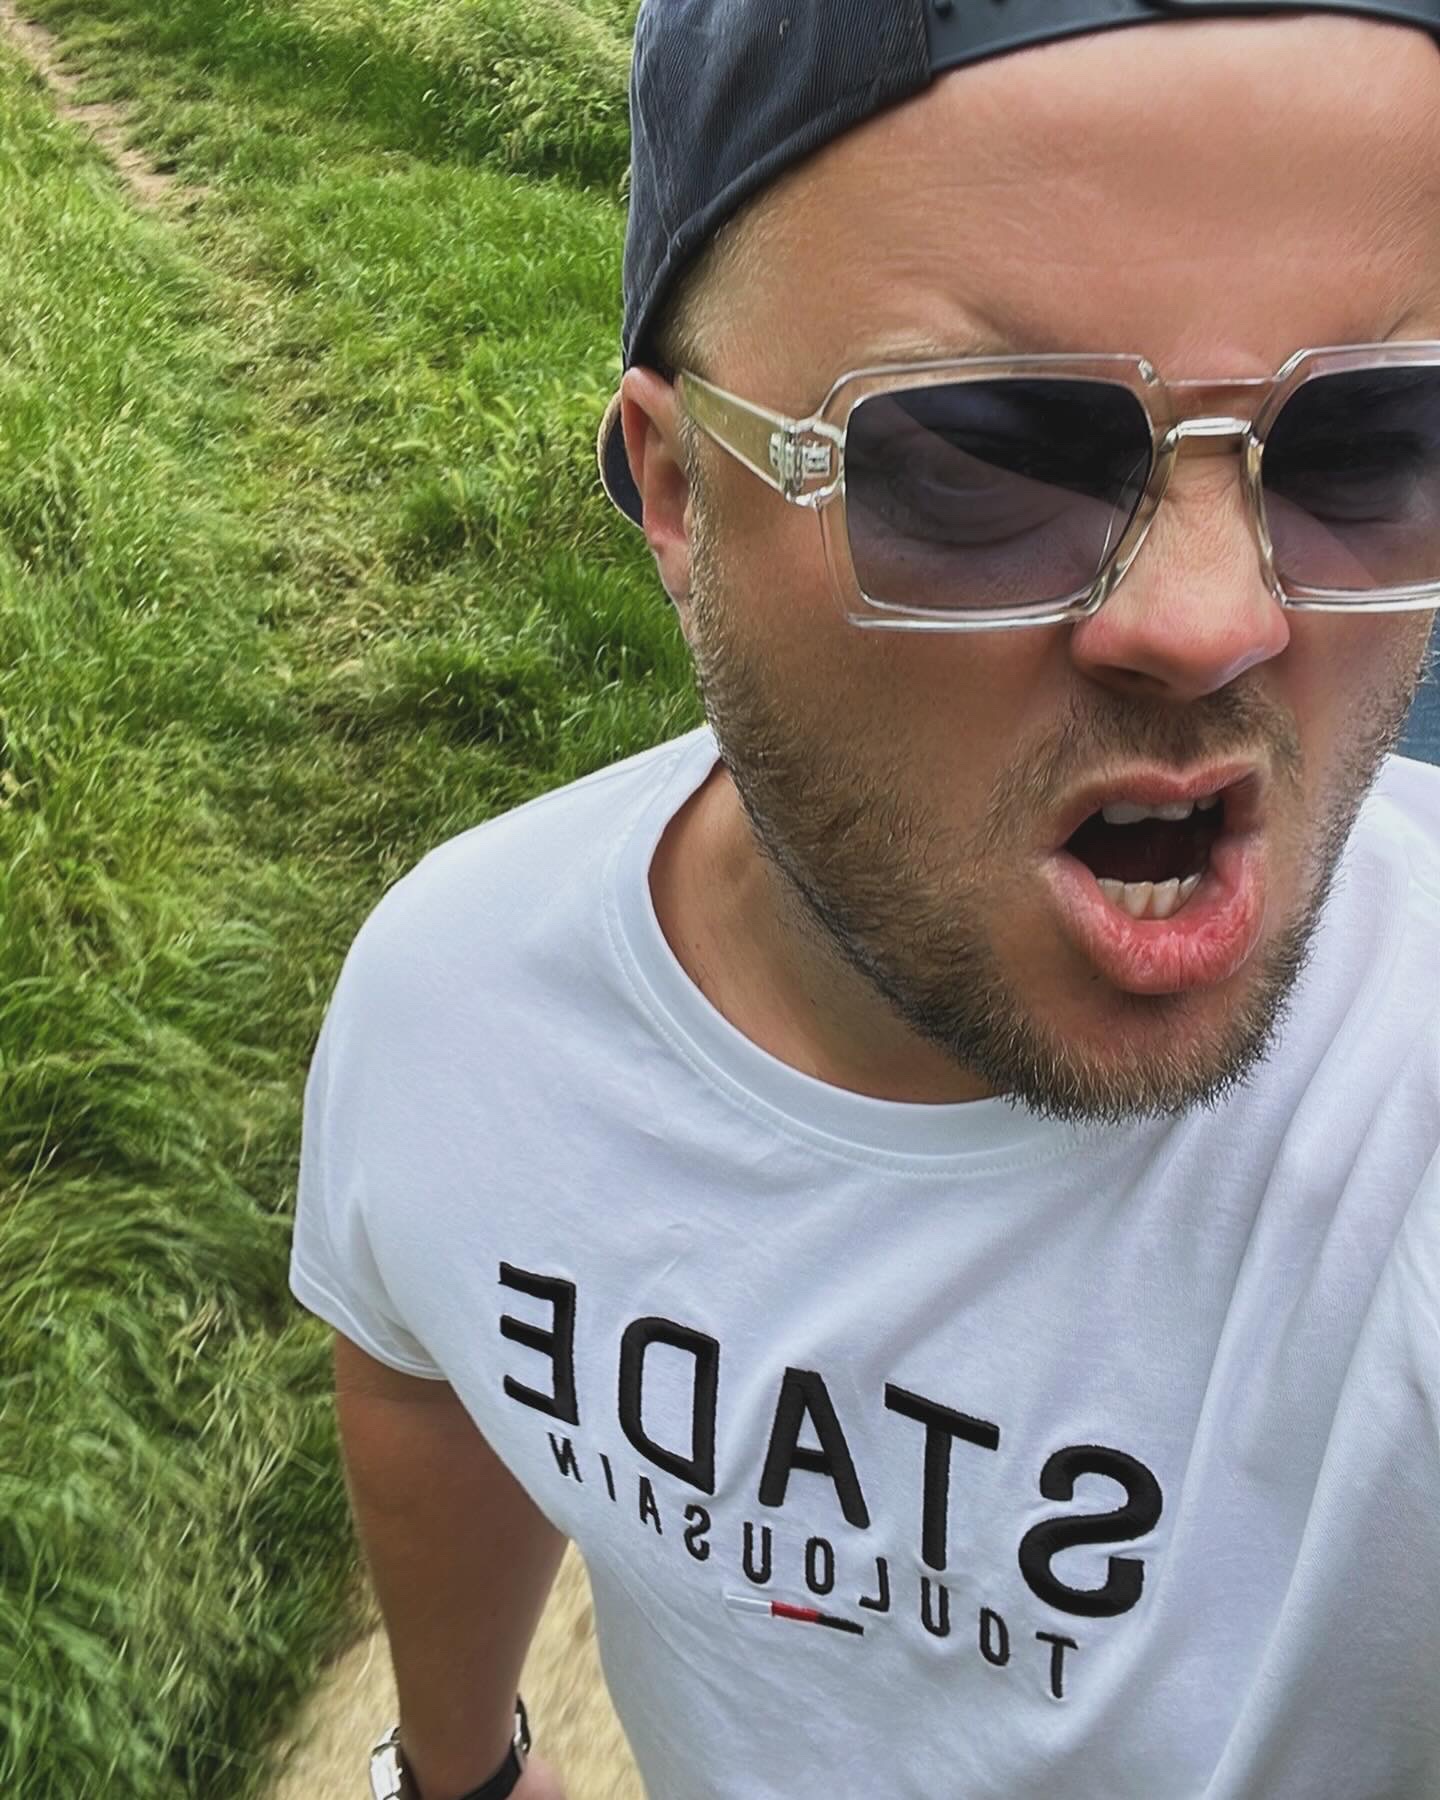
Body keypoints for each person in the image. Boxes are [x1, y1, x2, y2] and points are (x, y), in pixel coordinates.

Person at [289, 3, 1440, 1796]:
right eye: (979, 460)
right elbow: (422, 1353)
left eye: (1371, 442)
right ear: (678, 493)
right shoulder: (456, 1001)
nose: (1217, 618)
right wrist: (460, 1774)